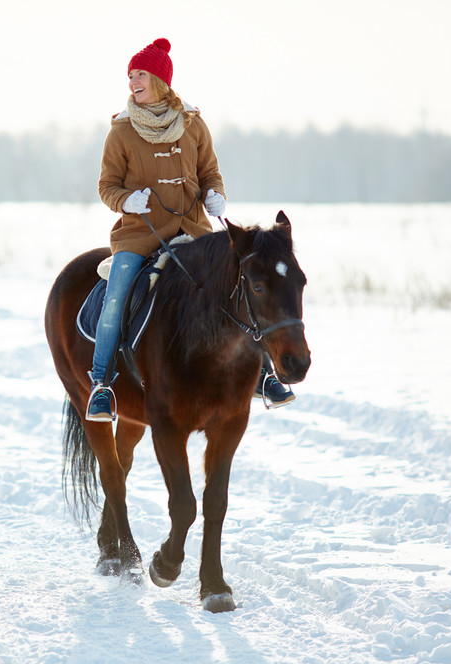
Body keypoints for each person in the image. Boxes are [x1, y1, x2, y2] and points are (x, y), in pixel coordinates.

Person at [87, 38, 293, 422]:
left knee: (241, 285)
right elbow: (107, 186)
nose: (133, 81)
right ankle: (101, 386)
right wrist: (126, 201)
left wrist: (215, 194)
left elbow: (210, 173)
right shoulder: (122, 131)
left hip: (195, 230)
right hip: (140, 235)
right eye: (130, 75)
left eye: (140, 75)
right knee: (116, 295)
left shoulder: (193, 125)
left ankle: (265, 375)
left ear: (161, 81)